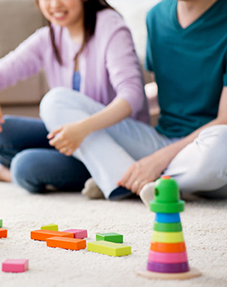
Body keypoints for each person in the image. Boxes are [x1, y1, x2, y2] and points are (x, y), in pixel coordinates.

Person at [43, 0, 227, 204]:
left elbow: (224, 120)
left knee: (223, 141)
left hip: (204, 149)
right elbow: (169, 92)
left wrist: (158, 160)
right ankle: (136, 180)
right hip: (159, 140)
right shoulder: (156, 17)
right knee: (56, 101)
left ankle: (129, 178)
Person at [0, 0, 150, 199]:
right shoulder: (50, 36)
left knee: (25, 166)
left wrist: (83, 128)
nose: (54, 4)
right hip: (73, 138)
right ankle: (93, 177)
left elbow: (132, 97)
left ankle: (9, 172)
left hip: (113, 141)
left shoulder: (110, 26)